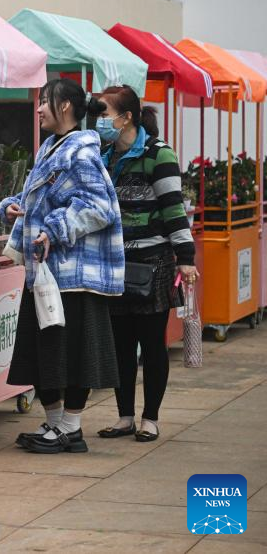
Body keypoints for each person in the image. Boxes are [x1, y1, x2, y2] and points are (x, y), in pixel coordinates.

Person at [0, 78, 124, 454]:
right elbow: (41, 196)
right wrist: (12, 205)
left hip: (72, 274)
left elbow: (100, 207)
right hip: (47, 271)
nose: (38, 108)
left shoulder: (80, 153)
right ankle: (56, 424)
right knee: (47, 349)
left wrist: (55, 228)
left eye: (44, 101)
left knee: (71, 352)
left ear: (65, 106)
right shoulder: (52, 148)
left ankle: (70, 427)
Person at [90, 86, 197, 443]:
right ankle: (125, 418)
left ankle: (150, 418)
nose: (99, 120)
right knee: (120, 346)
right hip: (114, 264)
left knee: (151, 345)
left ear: (126, 117)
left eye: (104, 113)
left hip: (153, 263)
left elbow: (173, 209)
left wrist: (185, 258)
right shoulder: (103, 156)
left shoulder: (158, 154)